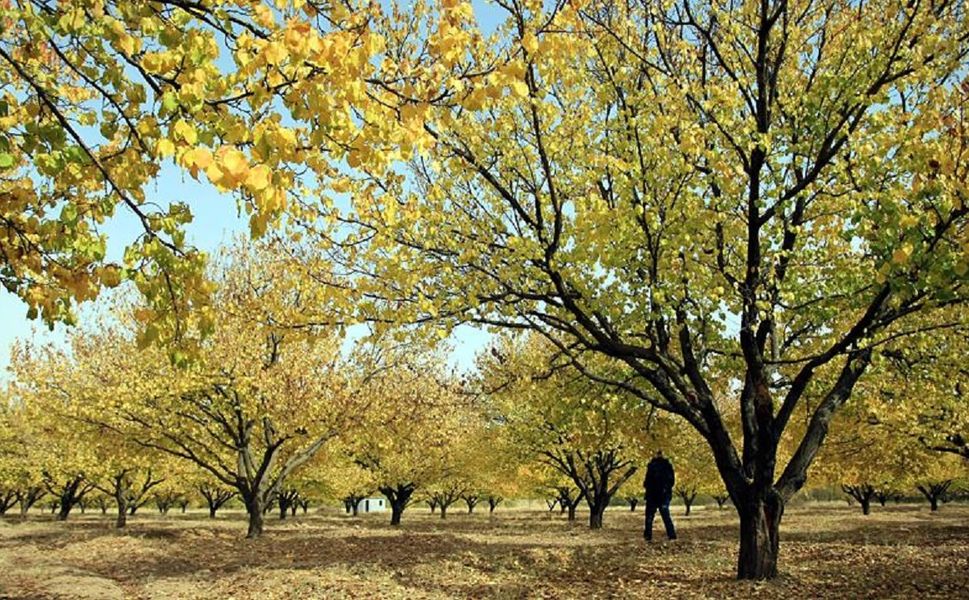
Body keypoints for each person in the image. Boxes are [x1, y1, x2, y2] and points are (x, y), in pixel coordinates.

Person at [643, 450, 677, 541]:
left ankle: (648, 536)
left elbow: (646, 481)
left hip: (654, 495)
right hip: (663, 495)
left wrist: (648, 487)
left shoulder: (652, 465)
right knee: (665, 515)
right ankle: (671, 536)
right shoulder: (667, 465)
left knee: (650, 516)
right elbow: (672, 481)